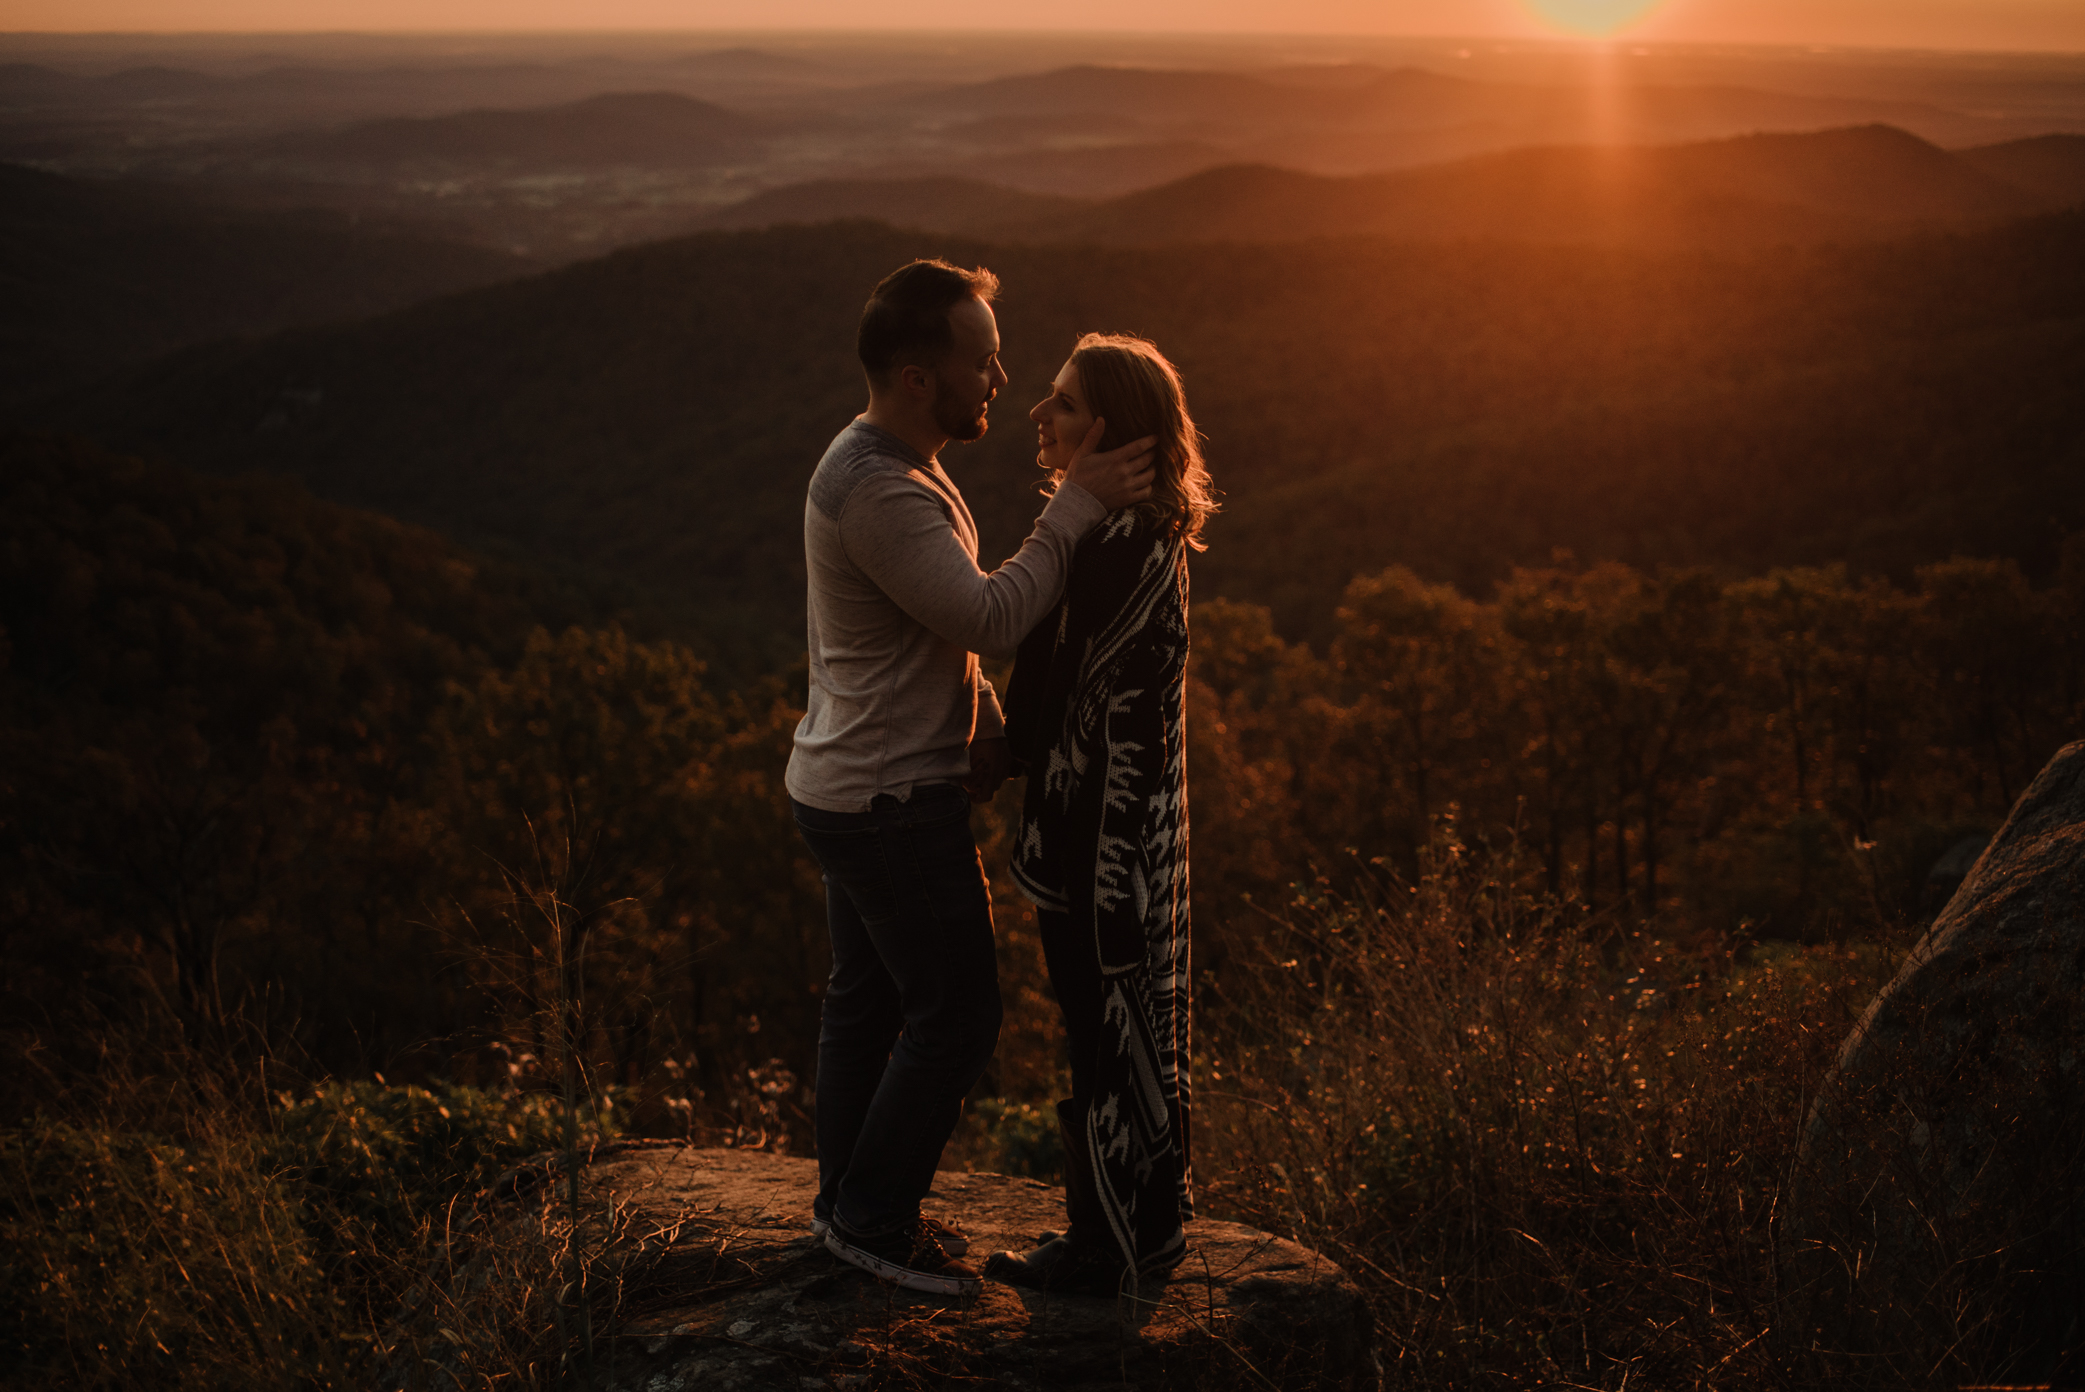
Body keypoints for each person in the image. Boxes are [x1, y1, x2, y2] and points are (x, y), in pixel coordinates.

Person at [786, 261, 1156, 1298]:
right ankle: (871, 1218)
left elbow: (931, 640)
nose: (1001, 379)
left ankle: (846, 1209)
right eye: (981, 361)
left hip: (852, 783)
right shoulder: (880, 490)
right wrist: (1074, 508)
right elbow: (989, 616)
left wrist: (987, 724)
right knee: (956, 1016)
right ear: (917, 377)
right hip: (888, 803)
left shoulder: (894, 463)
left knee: (864, 1003)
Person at [985, 334, 1216, 1297]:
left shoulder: (1122, 548)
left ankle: (1108, 1244)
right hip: (1106, 837)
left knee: (1102, 1021)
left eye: (1065, 406)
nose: (1041, 417)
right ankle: (1135, 1224)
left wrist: (997, 757)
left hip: (1104, 846)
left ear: (1111, 436)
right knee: (1108, 1023)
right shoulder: (1118, 539)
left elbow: (1072, 701)